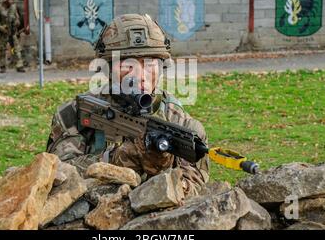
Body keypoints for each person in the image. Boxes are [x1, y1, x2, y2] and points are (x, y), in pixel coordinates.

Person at [46, 14, 209, 197]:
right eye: (127, 65)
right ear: (107, 68)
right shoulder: (74, 114)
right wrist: (114, 160)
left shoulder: (180, 123)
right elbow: (55, 174)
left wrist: (163, 170)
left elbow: (194, 189)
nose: (140, 76)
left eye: (149, 64)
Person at [0, 0, 25, 73]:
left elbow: (17, 18)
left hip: (12, 32)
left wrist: (17, 22)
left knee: (15, 49)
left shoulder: (13, 8)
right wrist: (2, 28)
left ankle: (19, 65)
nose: (11, 1)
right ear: (4, 0)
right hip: (2, 33)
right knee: (2, 50)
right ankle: (2, 66)